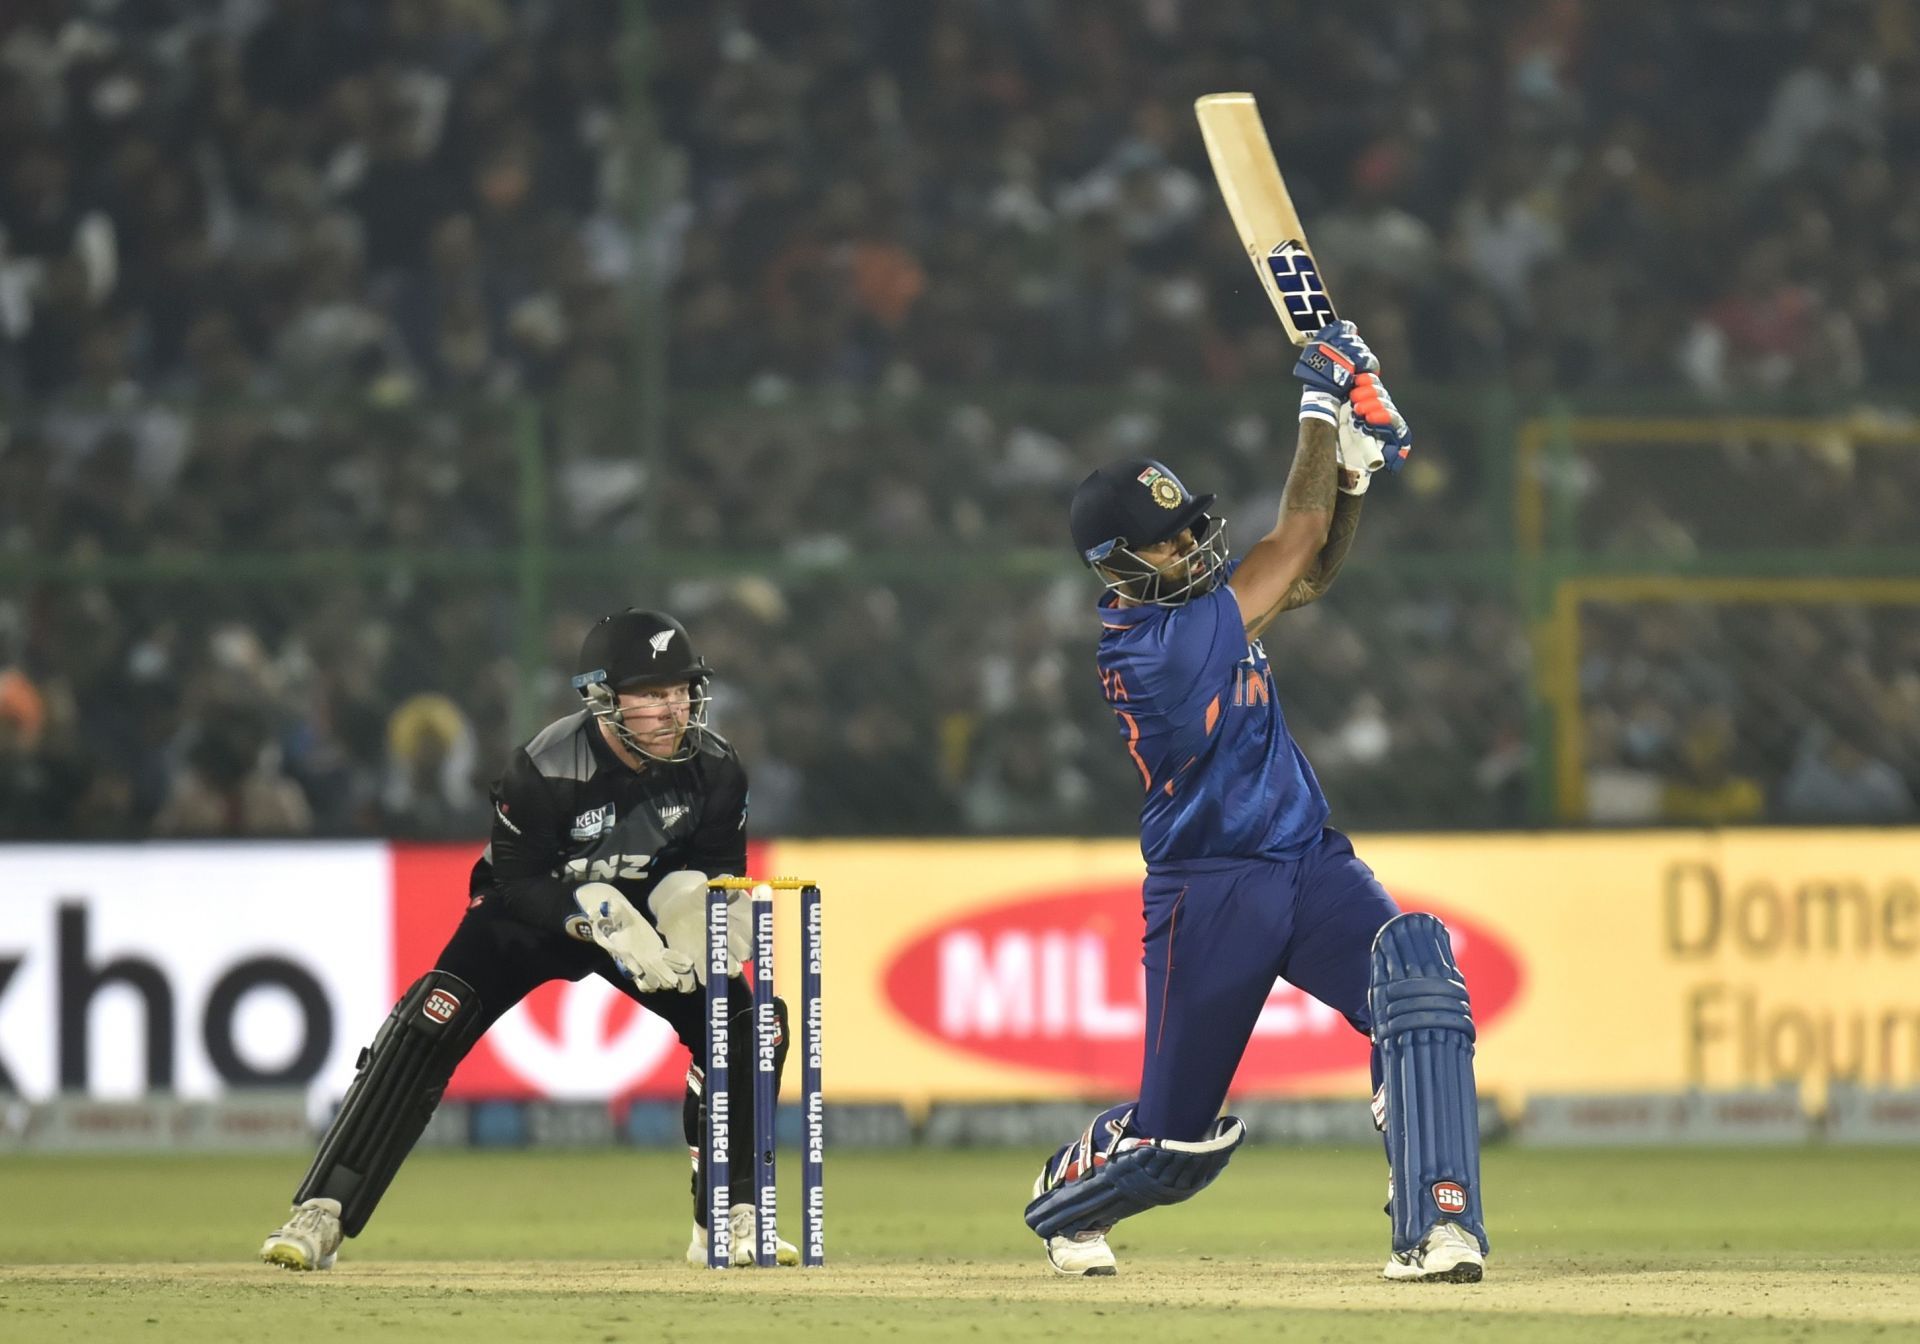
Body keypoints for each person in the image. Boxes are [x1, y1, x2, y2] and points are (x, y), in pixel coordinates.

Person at [1023, 321, 1488, 1282]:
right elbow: (1300, 540)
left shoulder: (1203, 610)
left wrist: (1349, 465)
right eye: (1164, 543)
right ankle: (1071, 1198)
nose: (1191, 545)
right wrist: (1324, 403)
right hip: (1211, 890)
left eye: (1191, 525)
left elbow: (1305, 571)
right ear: (1115, 566)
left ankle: (1439, 1225)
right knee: (1173, 1149)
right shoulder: (1154, 647)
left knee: (1419, 979)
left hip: (1308, 859)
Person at [260, 609, 796, 1269]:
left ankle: (732, 1218)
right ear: (604, 698)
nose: (674, 709)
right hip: (534, 916)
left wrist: (699, 909)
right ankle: (324, 1212)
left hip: (648, 924)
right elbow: (515, 884)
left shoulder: (716, 770)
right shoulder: (545, 766)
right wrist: (591, 915)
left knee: (749, 1025)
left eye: (681, 690)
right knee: (434, 1015)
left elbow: (716, 871)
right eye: (651, 694)